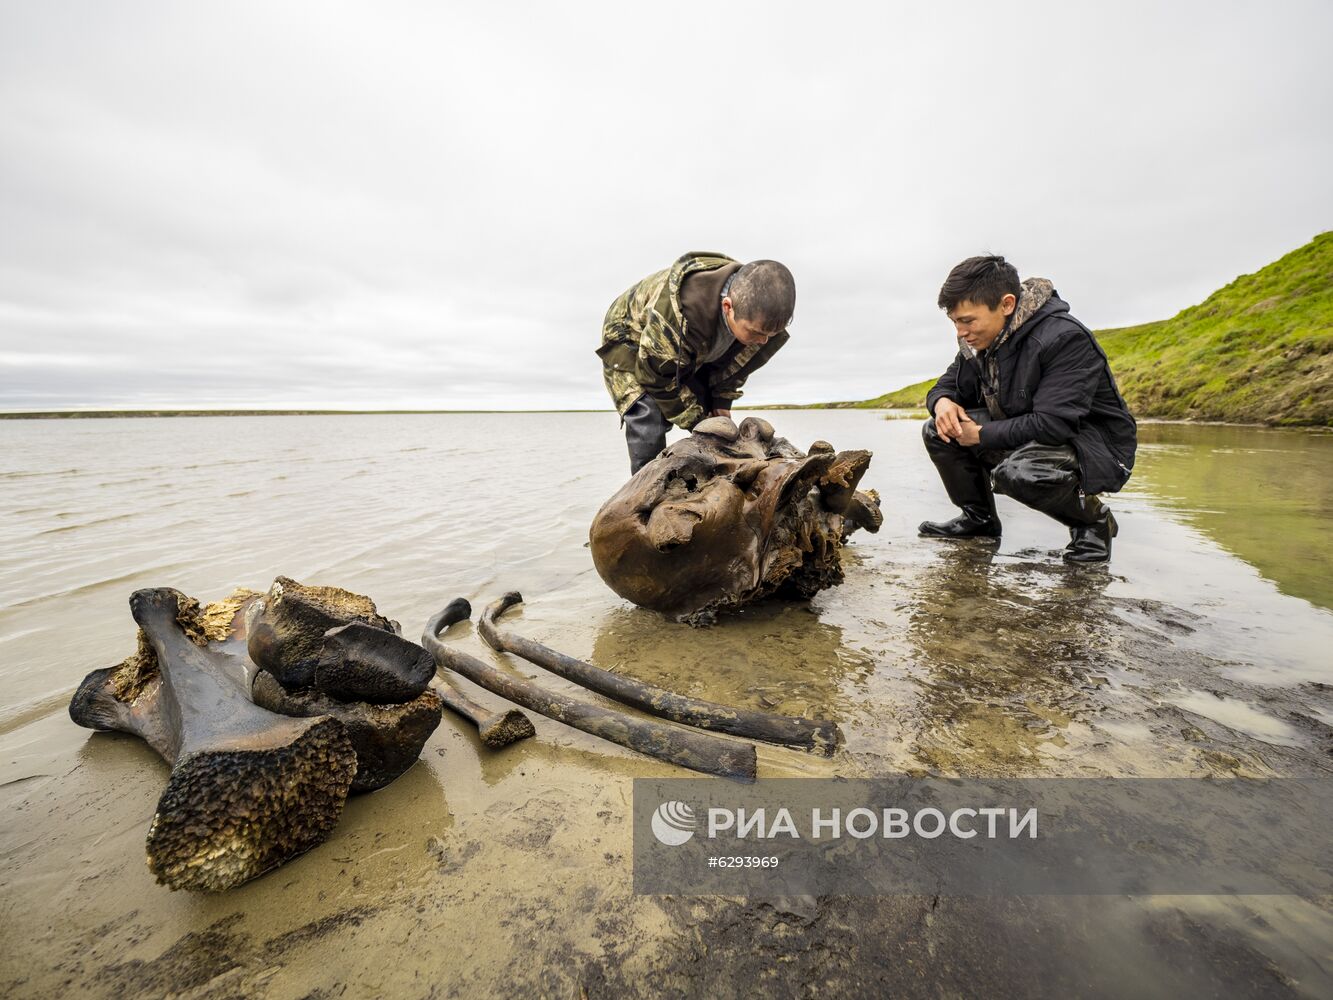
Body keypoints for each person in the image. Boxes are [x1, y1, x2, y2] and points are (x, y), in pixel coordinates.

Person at [919, 255, 1137, 562]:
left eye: (968, 320)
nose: (960, 332)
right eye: (955, 322)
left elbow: (1054, 424)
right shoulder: (979, 342)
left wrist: (979, 434)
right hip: (1030, 430)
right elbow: (945, 386)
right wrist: (942, 403)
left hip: (1091, 446)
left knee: (1021, 473)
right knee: (938, 429)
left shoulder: (1065, 337)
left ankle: (1093, 523)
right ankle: (979, 520)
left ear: (1006, 304)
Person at [597, 252, 794, 473]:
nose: (763, 341)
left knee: (715, 419)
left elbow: (735, 366)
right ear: (728, 307)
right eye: (757, 333)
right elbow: (655, 378)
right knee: (649, 416)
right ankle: (646, 484)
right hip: (630, 338)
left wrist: (721, 402)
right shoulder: (679, 316)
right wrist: (698, 422)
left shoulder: (761, 319)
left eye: (770, 334)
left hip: (691, 349)